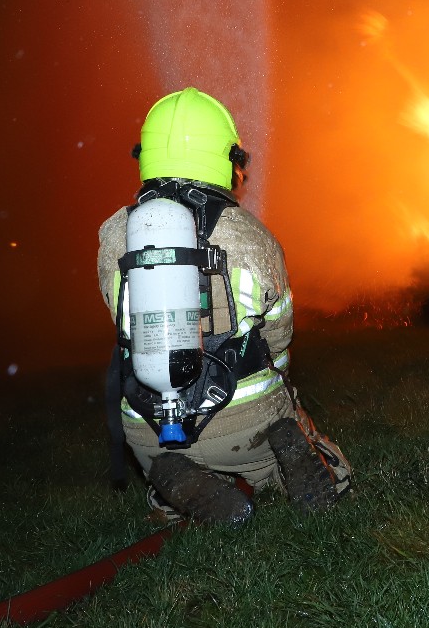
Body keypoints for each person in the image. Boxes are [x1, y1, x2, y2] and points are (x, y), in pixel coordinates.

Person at [98, 88, 351, 525]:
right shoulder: (251, 235)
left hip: (146, 423)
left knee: (165, 478)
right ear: (225, 156)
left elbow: (121, 319)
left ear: (147, 154)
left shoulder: (113, 235)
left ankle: (171, 492)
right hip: (241, 417)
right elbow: (279, 330)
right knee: (319, 462)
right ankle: (293, 465)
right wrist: (277, 381)